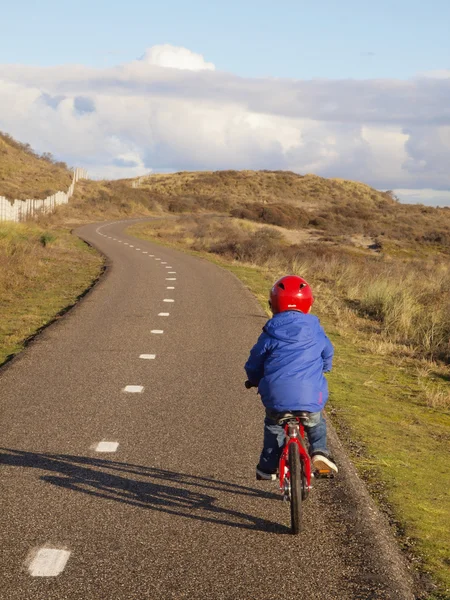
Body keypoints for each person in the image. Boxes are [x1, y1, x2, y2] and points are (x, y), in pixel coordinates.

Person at [245, 275, 338, 480]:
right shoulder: (316, 330)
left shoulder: (270, 332)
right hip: (310, 393)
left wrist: (253, 378)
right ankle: (320, 452)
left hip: (277, 396)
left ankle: (268, 467)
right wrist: (325, 368)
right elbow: (328, 352)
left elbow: (255, 360)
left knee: (273, 426)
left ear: (273, 305)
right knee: (316, 421)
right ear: (309, 305)